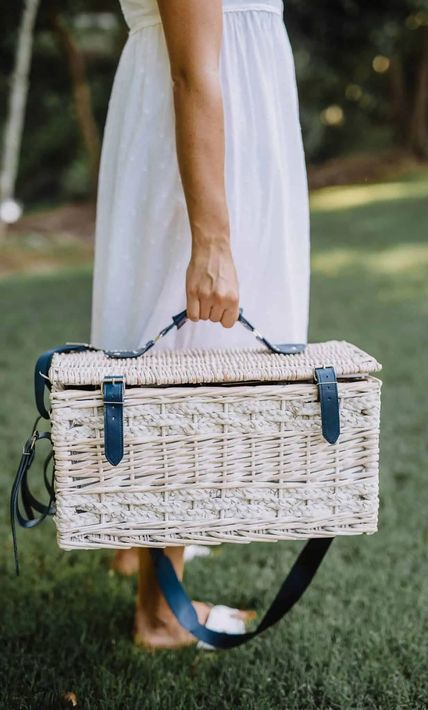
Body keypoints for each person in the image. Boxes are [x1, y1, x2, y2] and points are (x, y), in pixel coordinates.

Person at [90, 0, 310, 650]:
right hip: (210, 118)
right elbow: (192, 68)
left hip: (209, 98)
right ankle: (162, 615)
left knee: (169, 330)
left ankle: (139, 544)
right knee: (193, 351)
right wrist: (212, 238)